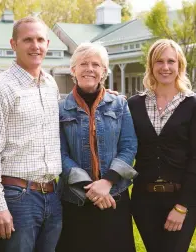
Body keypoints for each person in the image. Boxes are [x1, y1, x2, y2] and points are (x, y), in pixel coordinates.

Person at [0, 16, 62, 251]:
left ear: (48, 44)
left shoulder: (51, 85)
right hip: (16, 197)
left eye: (40, 39)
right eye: (28, 40)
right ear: (14, 44)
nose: (35, 46)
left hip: (52, 194)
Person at [55, 42, 138, 252]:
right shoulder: (60, 109)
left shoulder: (120, 105)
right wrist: (91, 188)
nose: (89, 69)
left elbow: (129, 146)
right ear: (73, 70)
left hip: (114, 197)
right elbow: (59, 153)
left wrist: (107, 182)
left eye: (95, 64)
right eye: (83, 63)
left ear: (104, 71)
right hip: (75, 199)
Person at [128, 39, 196, 252]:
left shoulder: (194, 105)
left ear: (180, 65)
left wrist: (181, 206)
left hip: (182, 198)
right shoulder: (134, 104)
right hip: (144, 200)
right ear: (151, 66)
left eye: (171, 61)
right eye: (159, 61)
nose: (165, 67)